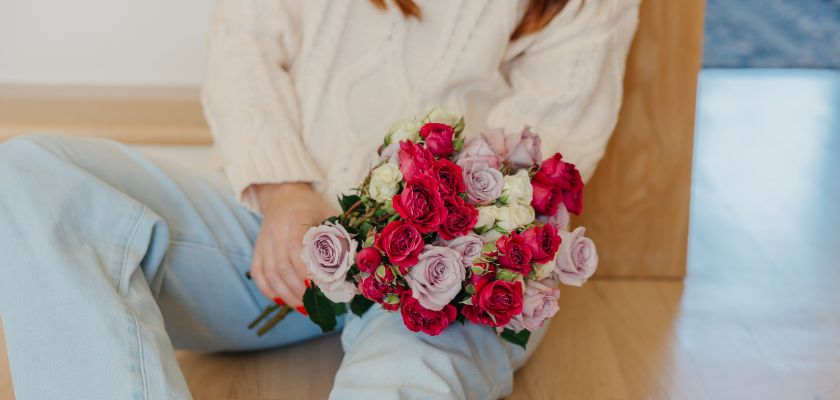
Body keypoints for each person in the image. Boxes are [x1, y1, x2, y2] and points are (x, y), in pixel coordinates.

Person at [0, 0, 640, 398]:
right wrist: (285, 194)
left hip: (441, 268)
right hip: (273, 242)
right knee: (28, 173)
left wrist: (400, 249)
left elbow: (546, 157)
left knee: (419, 357)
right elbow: (243, 51)